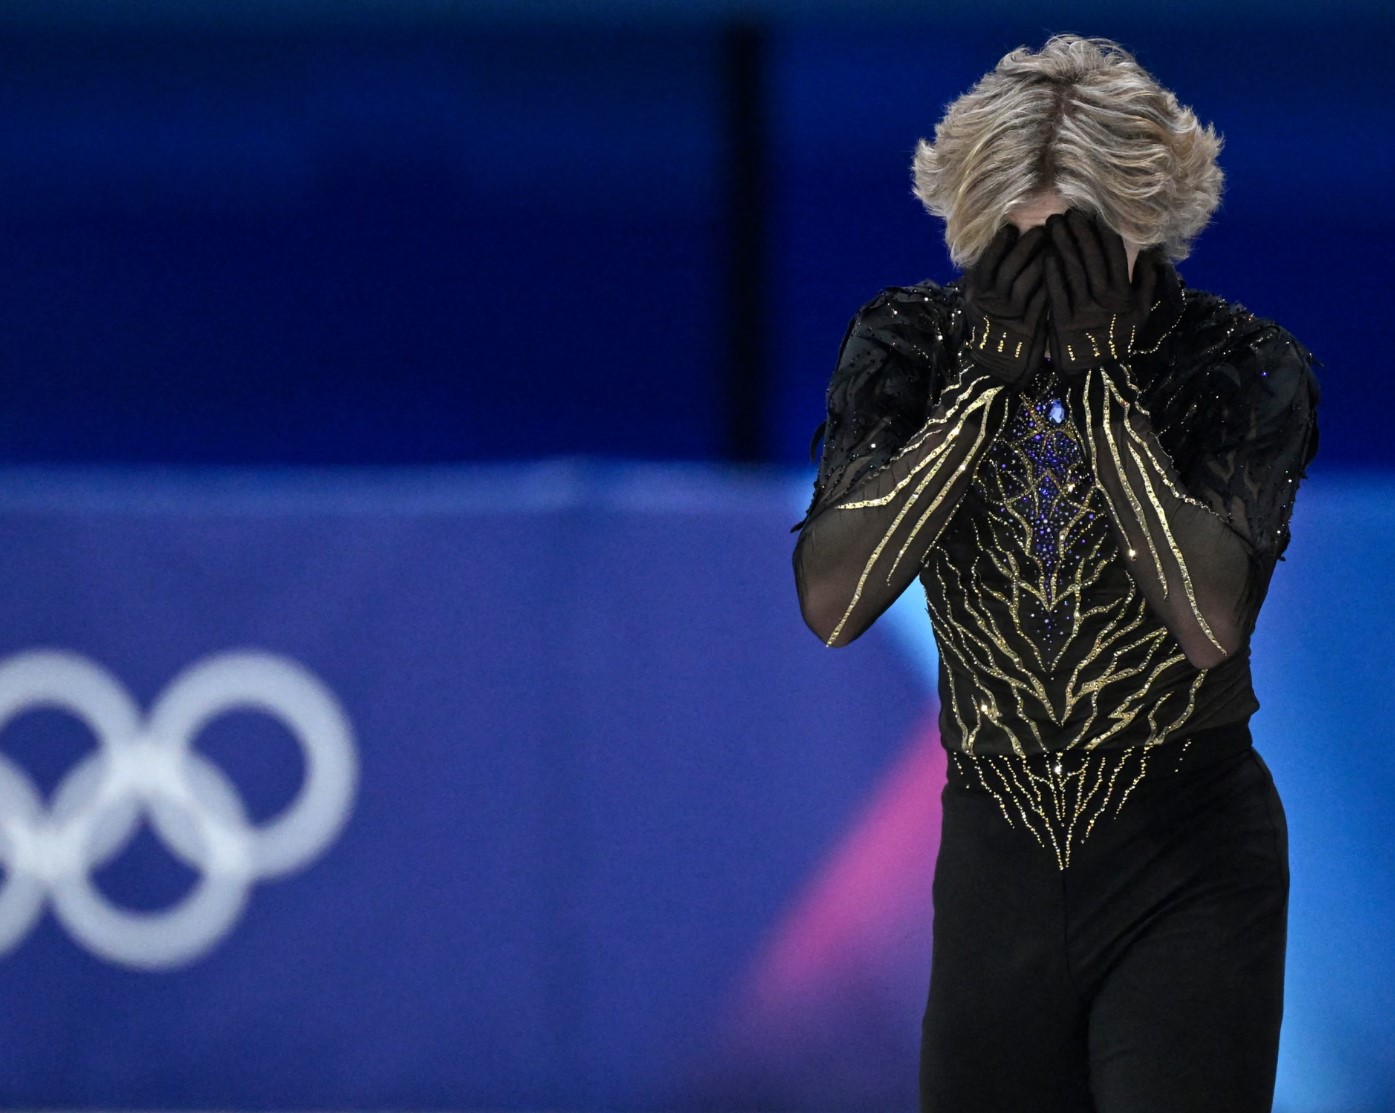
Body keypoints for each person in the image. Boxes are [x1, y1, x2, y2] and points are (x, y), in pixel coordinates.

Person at [791, 35, 1320, 1113]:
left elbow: (1208, 621)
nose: (1047, 284)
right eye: (1016, 248)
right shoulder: (908, 347)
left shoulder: (1240, 364)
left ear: (1146, 221)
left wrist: (1099, 384)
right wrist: (981, 387)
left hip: (1189, 861)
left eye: (1079, 250)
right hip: (996, 870)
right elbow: (833, 606)